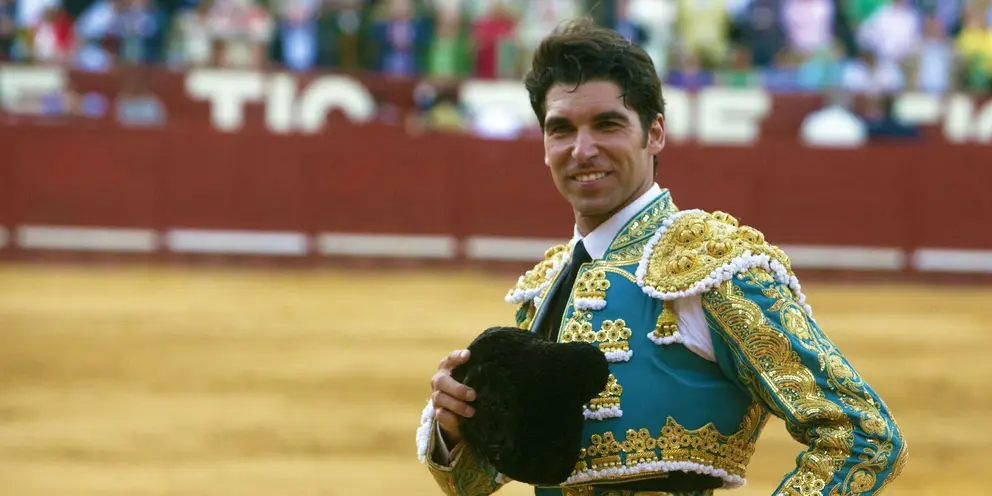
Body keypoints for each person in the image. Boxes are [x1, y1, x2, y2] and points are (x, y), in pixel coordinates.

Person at [416, 18, 908, 496]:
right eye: (561, 129)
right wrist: (453, 428)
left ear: (654, 133)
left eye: (607, 124)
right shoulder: (546, 289)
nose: (582, 150)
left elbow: (862, 435)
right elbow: (477, 480)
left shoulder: (712, 267)